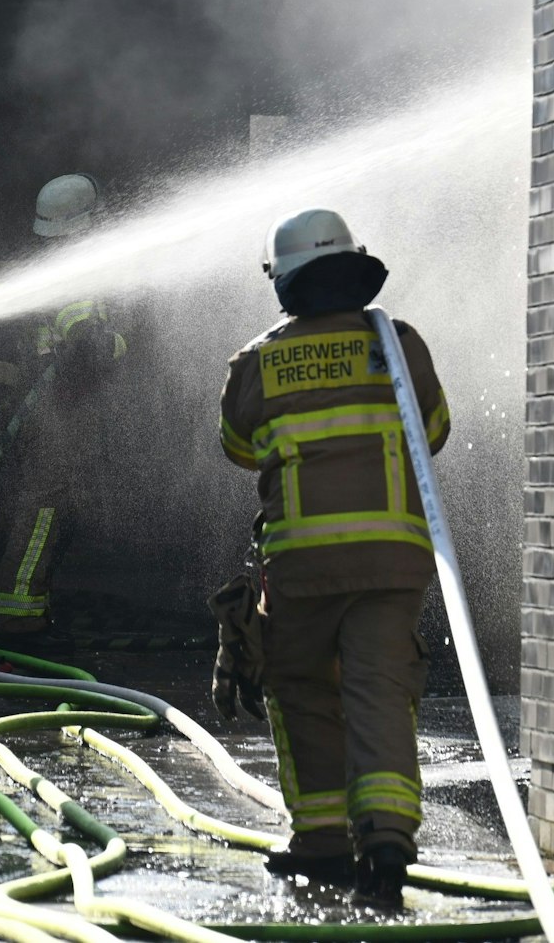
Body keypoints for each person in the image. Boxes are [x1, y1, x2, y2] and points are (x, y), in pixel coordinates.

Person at [215, 207, 450, 907]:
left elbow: (236, 448)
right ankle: (385, 841)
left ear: (283, 283)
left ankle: (320, 842)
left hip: (300, 564)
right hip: (391, 560)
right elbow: (432, 432)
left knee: (303, 690)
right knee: (379, 691)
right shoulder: (397, 342)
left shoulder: (254, 361)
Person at [0, 173, 125, 645]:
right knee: (44, 507)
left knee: (59, 509)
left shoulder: (56, 261)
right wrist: (110, 342)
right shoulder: (75, 268)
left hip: (56, 408)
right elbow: (86, 336)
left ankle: (33, 606)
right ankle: (18, 612)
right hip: (57, 411)